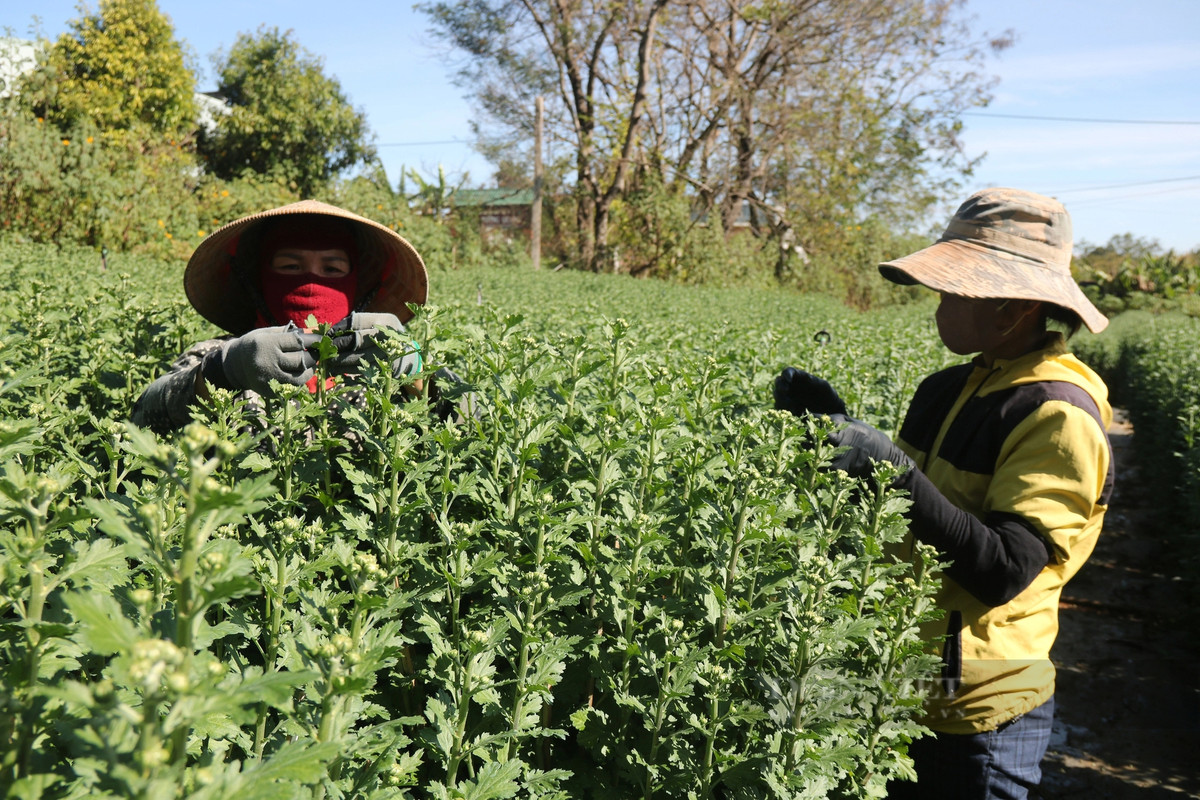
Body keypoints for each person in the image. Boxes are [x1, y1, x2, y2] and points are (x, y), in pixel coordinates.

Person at [774, 187, 1113, 800]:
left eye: (953, 289)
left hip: (979, 705)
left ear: (1011, 305)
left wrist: (887, 466)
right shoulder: (947, 387)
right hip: (895, 677)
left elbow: (1005, 569)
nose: (938, 304)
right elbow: (906, 518)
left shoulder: (1057, 414)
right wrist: (839, 442)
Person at [132, 199, 429, 433]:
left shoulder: (377, 374)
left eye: (332, 269)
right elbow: (142, 419)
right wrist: (224, 371)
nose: (312, 284)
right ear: (258, 279)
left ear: (357, 286)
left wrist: (414, 367)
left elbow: (469, 415)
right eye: (290, 266)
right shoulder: (222, 354)